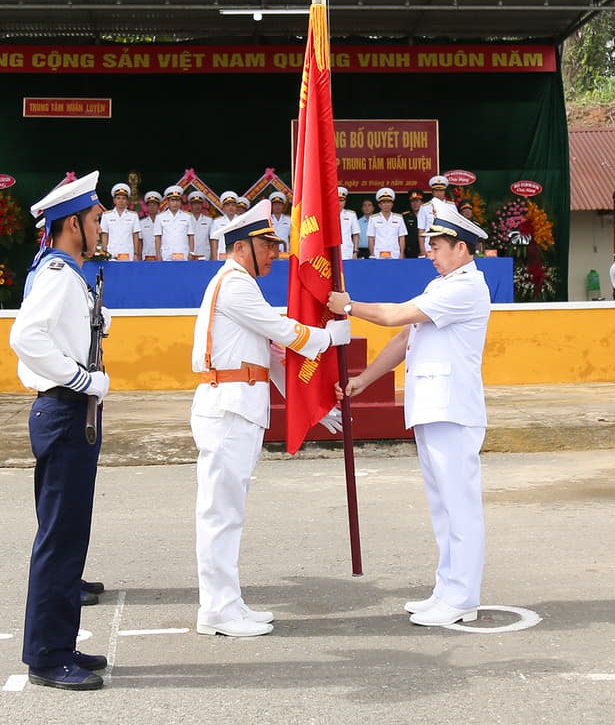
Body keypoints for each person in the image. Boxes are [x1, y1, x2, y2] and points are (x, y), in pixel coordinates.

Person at [328, 201, 492, 627]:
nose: (430, 253)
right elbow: (406, 335)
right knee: (443, 506)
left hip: (453, 409)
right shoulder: (441, 286)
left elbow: (393, 315)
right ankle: (447, 589)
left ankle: (462, 597)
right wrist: (364, 381)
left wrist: (348, 306)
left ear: (461, 247)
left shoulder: (466, 287)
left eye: (436, 245)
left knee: (460, 506)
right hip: (433, 407)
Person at [190, 200, 349, 638]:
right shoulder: (235, 284)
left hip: (237, 407)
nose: (276, 253)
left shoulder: (240, 283)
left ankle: (229, 601)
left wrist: (311, 407)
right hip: (228, 409)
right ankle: (217, 610)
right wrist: (330, 335)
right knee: (221, 514)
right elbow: (284, 333)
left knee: (229, 512)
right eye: (268, 245)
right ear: (242, 246)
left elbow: (269, 358)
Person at [9, 171, 111, 691]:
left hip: (74, 413)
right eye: (95, 219)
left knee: (71, 535)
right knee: (59, 538)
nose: (100, 228)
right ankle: (47, 655)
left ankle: (61, 641)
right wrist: (81, 377)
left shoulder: (68, 272)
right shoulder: (55, 273)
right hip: (64, 409)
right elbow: (25, 336)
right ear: (72, 223)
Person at [99, 183, 140, 261]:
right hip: (112, 252)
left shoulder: (133, 216)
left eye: (124, 198)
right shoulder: (106, 215)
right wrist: (104, 252)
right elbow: (104, 235)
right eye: (118, 198)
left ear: (127, 201)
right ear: (114, 200)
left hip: (128, 252)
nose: (121, 201)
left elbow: (135, 235)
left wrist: (135, 253)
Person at [157, 184, 194, 262]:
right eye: (172, 200)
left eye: (177, 200)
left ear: (181, 202)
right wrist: (158, 254)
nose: (175, 203)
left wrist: (191, 253)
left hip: (183, 253)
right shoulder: (160, 217)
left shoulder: (188, 217)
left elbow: (191, 236)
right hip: (166, 253)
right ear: (167, 202)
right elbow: (158, 237)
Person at [368, 188, 407, 259]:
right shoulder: (373, 218)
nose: (386, 204)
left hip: (394, 253)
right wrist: (372, 254)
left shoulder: (399, 218)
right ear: (379, 205)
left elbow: (401, 237)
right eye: (384, 202)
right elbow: (371, 238)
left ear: (392, 204)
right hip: (378, 253)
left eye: (389, 202)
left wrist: (401, 254)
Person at [188, 191, 218, 262]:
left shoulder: (209, 221)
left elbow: (212, 239)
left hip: (204, 253)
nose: (197, 206)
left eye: (199, 203)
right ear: (191, 205)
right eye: (195, 203)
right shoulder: (186, 219)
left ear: (202, 205)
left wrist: (213, 255)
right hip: (189, 254)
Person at [136, 189, 162, 261]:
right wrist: (139, 256)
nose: (152, 207)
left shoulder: (163, 221)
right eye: (150, 205)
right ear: (146, 207)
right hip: (147, 256)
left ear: (158, 206)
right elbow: (140, 241)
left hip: (162, 256)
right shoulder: (141, 223)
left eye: (154, 205)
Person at [337, 186, 360, 262]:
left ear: (345, 201)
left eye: (341, 200)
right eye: (337, 200)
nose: (339, 202)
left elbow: (355, 234)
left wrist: (355, 251)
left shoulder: (351, 214)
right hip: (332, 250)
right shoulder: (327, 215)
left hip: (347, 250)